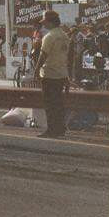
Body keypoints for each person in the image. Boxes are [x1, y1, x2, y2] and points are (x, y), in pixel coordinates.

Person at [35, 10, 69, 138]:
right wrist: (67, 75)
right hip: (61, 73)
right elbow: (67, 57)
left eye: (45, 21)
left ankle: (51, 130)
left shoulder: (49, 37)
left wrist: (36, 70)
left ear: (50, 22)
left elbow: (43, 55)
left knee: (49, 104)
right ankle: (60, 129)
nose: (43, 24)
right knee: (58, 103)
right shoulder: (65, 36)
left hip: (49, 74)